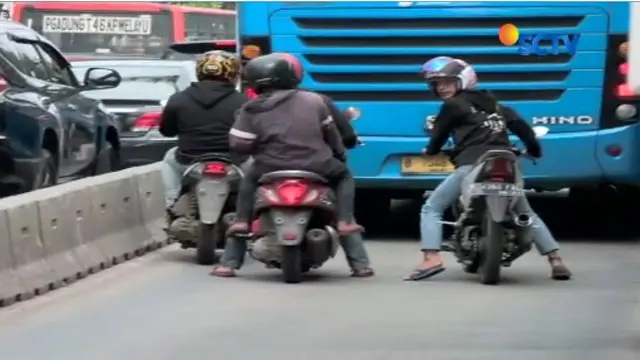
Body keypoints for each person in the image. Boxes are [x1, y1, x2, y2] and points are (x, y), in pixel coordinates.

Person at [405, 56, 572, 281]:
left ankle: (431, 257)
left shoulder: (453, 106)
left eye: (447, 82)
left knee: (432, 207)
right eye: (436, 84)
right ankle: (556, 259)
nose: (441, 88)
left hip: (471, 165)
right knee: (525, 213)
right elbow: (526, 131)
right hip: (507, 161)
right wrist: (535, 151)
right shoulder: (497, 106)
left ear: (463, 80)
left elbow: (438, 136)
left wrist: (431, 150)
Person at [211, 52, 373, 278]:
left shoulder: (251, 108)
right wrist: (338, 156)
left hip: (269, 167)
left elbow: (238, 144)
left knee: (248, 181)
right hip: (318, 164)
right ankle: (351, 239)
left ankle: (230, 257)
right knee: (344, 175)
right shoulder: (315, 100)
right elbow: (333, 136)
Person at [159, 50, 248, 222]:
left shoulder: (178, 99)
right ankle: (251, 209)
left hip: (188, 161)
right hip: (235, 161)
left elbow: (167, 131)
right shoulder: (243, 102)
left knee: (170, 157)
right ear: (233, 75)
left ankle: (172, 201)